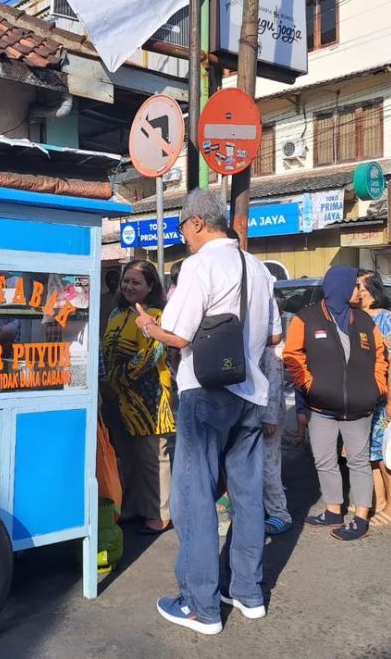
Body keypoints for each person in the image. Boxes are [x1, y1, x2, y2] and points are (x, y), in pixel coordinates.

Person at [134, 189, 277, 635]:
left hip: (206, 392)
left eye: (182, 229)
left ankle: (201, 605)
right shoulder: (258, 269)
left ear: (197, 222)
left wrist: (147, 325)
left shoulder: (200, 265)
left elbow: (177, 336)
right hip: (251, 394)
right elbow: (273, 338)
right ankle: (247, 592)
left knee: (192, 497)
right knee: (247, 495)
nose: (183, 238)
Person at [283, 266, 387, 542]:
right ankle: (332, 510)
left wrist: (377, 387)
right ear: (338, 287)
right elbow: (292, 355)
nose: (359, 290)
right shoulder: (306, 318)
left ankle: (361, 517)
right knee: (325, 460)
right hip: (321, 407)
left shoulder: (364, 320)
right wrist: (310, 385)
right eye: (355, 286)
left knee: (359, 462)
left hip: (359, 407)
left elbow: (380, 357)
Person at [101, 261, 175, 534]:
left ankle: (161, 513)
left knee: (153, 455)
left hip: (149, 396)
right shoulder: (116, 313)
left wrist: (121, 378)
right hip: (118, 395)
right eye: (126, 281)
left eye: (136, 282)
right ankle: (133, 505)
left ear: (151, 286)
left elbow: (154, 353)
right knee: (128, 455)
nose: (129, 286)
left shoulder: (158, 314)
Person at [356, 270, 391, 527]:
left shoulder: (385, 319)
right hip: (366, 397)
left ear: (372, 291)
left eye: (360, 286)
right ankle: (381, 503)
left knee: (390, 452)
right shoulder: (355, 318)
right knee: (372, 454)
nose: (356, 291)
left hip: (388, 395)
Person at [259, 325, 291, 536]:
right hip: (251, 413)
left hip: (266, 415)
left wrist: (270, 417)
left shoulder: (271, 347)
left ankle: (280, 513)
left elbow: (274, 383)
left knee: (268, 465)